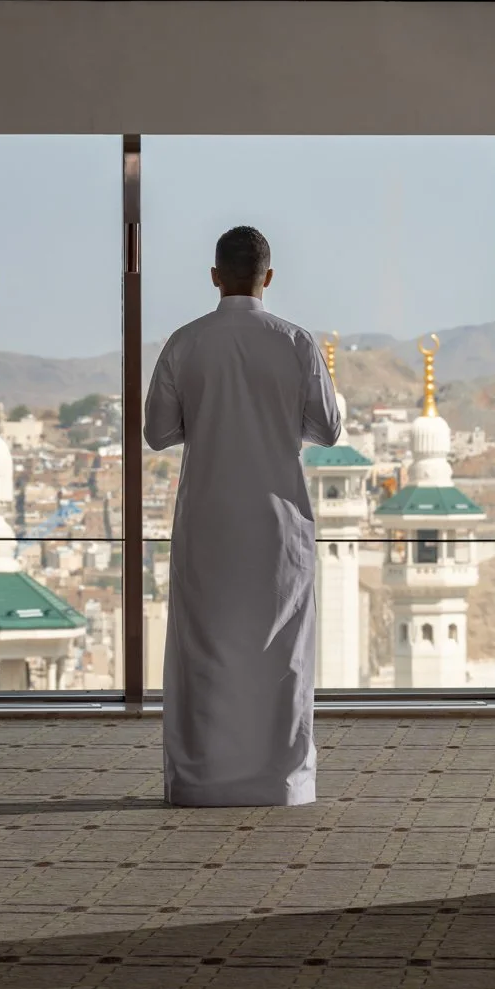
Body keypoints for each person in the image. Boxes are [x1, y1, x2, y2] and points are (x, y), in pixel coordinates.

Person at [145, 226, 343, 806]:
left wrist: (208, 416)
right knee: (282, 651)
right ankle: (282, 781)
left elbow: (158, 432)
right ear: (268, 276)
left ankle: (200, 779)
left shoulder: (185, 343)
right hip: (278, 522)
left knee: (204, 647)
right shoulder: (295, 342)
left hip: (207, 518)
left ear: (214, 276)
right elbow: (328, 429)